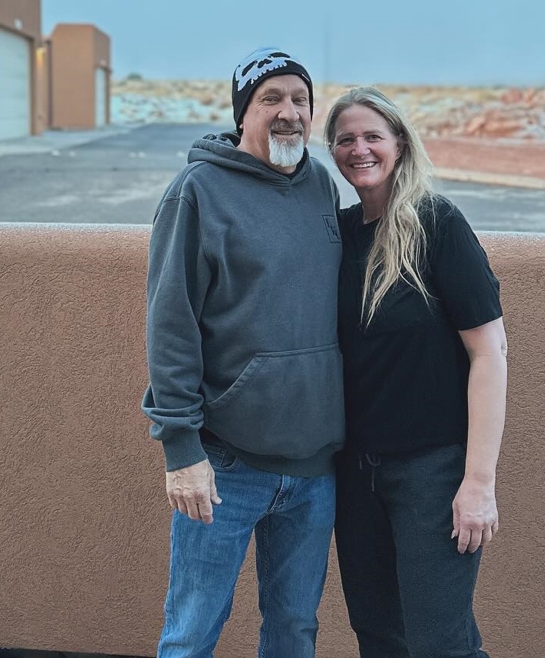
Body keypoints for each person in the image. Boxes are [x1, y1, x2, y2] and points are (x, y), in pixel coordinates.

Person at [142, 48, 344, 658]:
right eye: (270, 98)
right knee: (191, 633)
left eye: (300, 100)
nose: (289, 112)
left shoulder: (319, 185)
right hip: (225, 466)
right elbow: (171, 325)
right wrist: (181, 449)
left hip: (313, 468)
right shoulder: (197, 192)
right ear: (243, 112)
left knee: (294, 630)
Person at [324, 86, 509, 658]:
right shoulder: (338, 234)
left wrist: (478, 484)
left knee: (439, 643)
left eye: (372, 136)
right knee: (379, 636)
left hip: (431, 474)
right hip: (355, 477)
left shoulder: (437, 223)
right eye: (346, 139)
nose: (360, 149)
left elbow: (490, 353)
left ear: (400, 144)